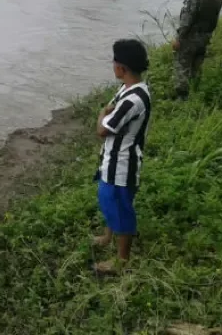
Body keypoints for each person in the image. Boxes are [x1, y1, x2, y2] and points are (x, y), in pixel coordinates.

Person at [92, 39, 152, 275]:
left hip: (122, 164)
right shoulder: (130, 89)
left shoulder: (132, 100)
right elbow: (111, 110)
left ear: (121, 67)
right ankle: (108, 236)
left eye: (114, 62)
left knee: (119, 206)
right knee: (110, 201)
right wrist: (106, 114)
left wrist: (100, 115)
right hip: (113, 158)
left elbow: (102, 129)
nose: (113, 65)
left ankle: (122, 261)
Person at [171, 0, 222, 99]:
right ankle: (195, 91)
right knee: (197, 65)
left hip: (190, 39)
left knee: (182, 66)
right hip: (205, 38)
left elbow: (186, 22)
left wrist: (179, 38)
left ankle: (182, 97)